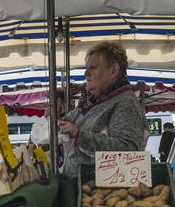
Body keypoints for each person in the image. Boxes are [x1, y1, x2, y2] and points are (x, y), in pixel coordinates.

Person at [58, 41, 148, 177]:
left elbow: (128, 151)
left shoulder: (125, 104)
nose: (86, 73)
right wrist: (58, 118)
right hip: (80, 187)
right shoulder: (92, 101)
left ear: (113, 70)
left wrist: (79, 135)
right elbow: (71, 122)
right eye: (86, 67)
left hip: (101, 192)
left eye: (92, 67)